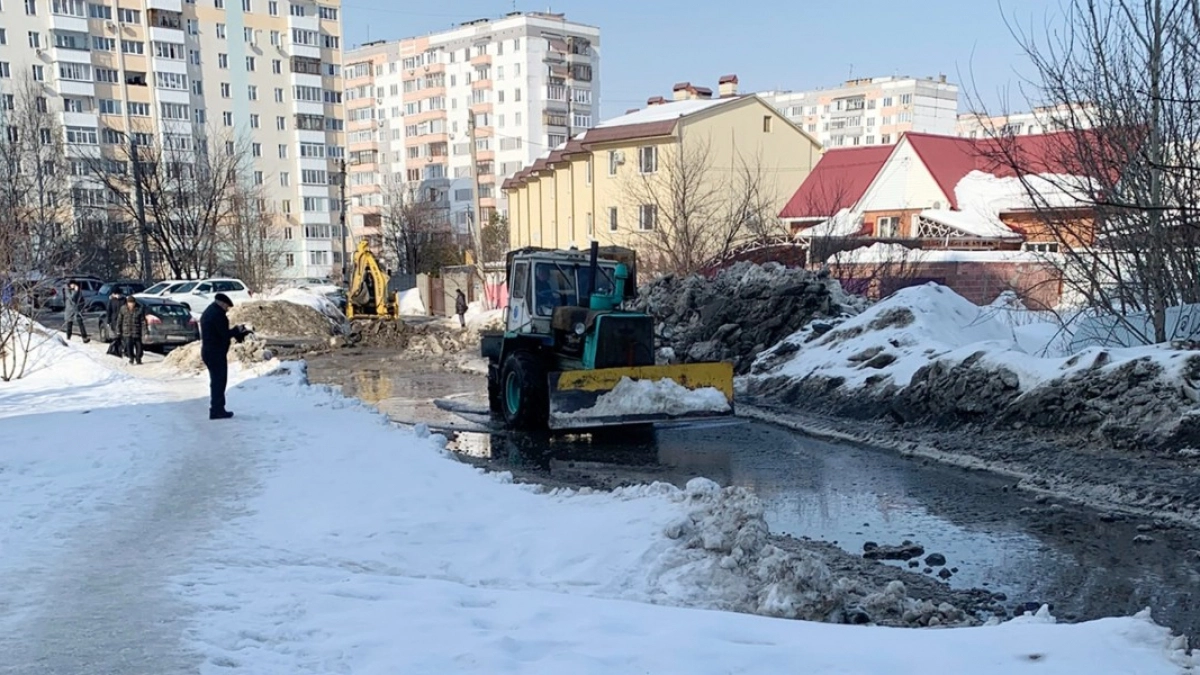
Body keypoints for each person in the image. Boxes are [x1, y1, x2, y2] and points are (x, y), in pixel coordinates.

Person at [199, 293, 249, 420]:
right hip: (215, 353)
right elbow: (224, 334)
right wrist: (237, 330)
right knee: (219, 381)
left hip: (211, 351)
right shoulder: (217, 315)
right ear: (221, 303)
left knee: (217, 381)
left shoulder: (210, 312)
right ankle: (217, 410)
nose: (227, 309)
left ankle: (217, 408)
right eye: (226, 306)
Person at [116, 295, 146, 365]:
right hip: (127, 331)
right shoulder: (123, 309)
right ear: (127, 303)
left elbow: (143, 321)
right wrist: (118, 330)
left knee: (139, 347)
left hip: (137, 331)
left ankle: (138, 359)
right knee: (129, 347)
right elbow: (119, 320)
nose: (131, 304)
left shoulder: (139, 309)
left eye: (132, 303)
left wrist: (145, 332)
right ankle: (131, 358)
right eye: (130, 303)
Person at [106, 291, 125, 355]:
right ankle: (115, 349)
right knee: (117, 336)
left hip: (122, 320)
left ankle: (119, 350)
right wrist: (108, 321)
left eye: (118, 294)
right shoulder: (111, 301)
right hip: (114, 320)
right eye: (116, 294)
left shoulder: (123, 300)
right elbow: (109, 311)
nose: (118, 295)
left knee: (120, 336)